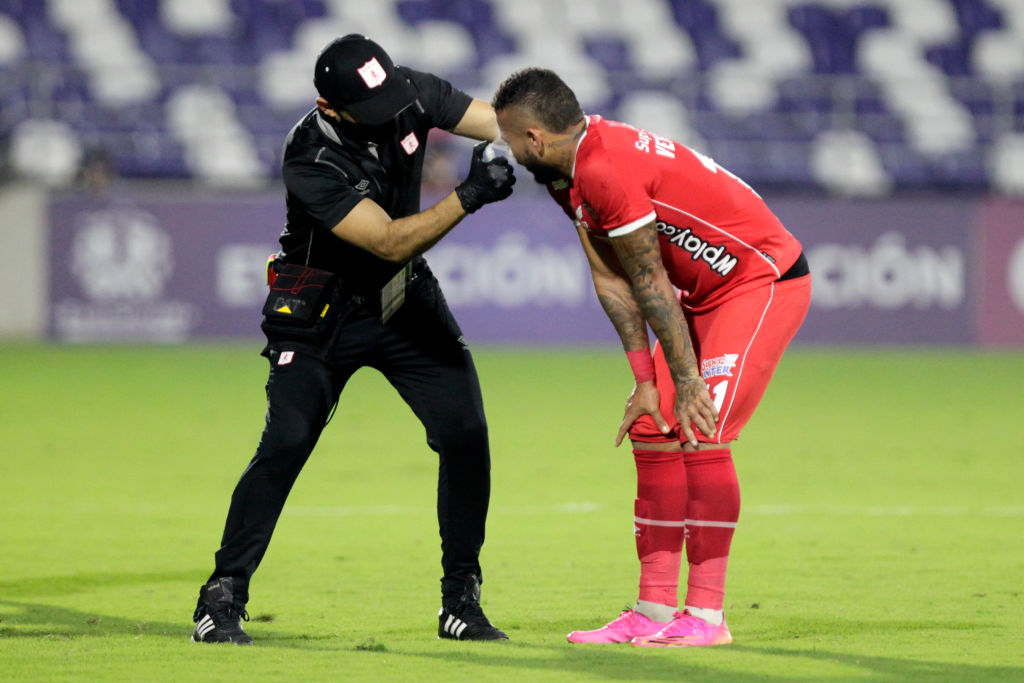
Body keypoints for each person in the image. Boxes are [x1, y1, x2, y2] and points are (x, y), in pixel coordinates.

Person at [191, 34, 515, 645]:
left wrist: (554, 144)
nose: (389, 111)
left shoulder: (408, 93)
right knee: (285, 443)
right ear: (329, 106)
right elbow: (390, 239)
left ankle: (460, 601)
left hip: (402, 297)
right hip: (320, 310)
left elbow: (503, 123)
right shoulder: (309, 153)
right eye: (369, 106)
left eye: (389, 95)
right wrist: (470, 194)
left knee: (466, 433)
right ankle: (222, 594)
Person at [492, 68, 811, 648]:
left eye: (511, 139)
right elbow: (611, 279)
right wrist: (645, 379)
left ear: (535, 138)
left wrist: (687, 380)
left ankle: (708, 618)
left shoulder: (603, 168)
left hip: (758, 279)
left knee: (700, 424)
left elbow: (650, 278)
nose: (508, 151)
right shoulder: (568, 178)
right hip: (698, 295)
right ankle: (653, 611)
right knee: (651, 423)